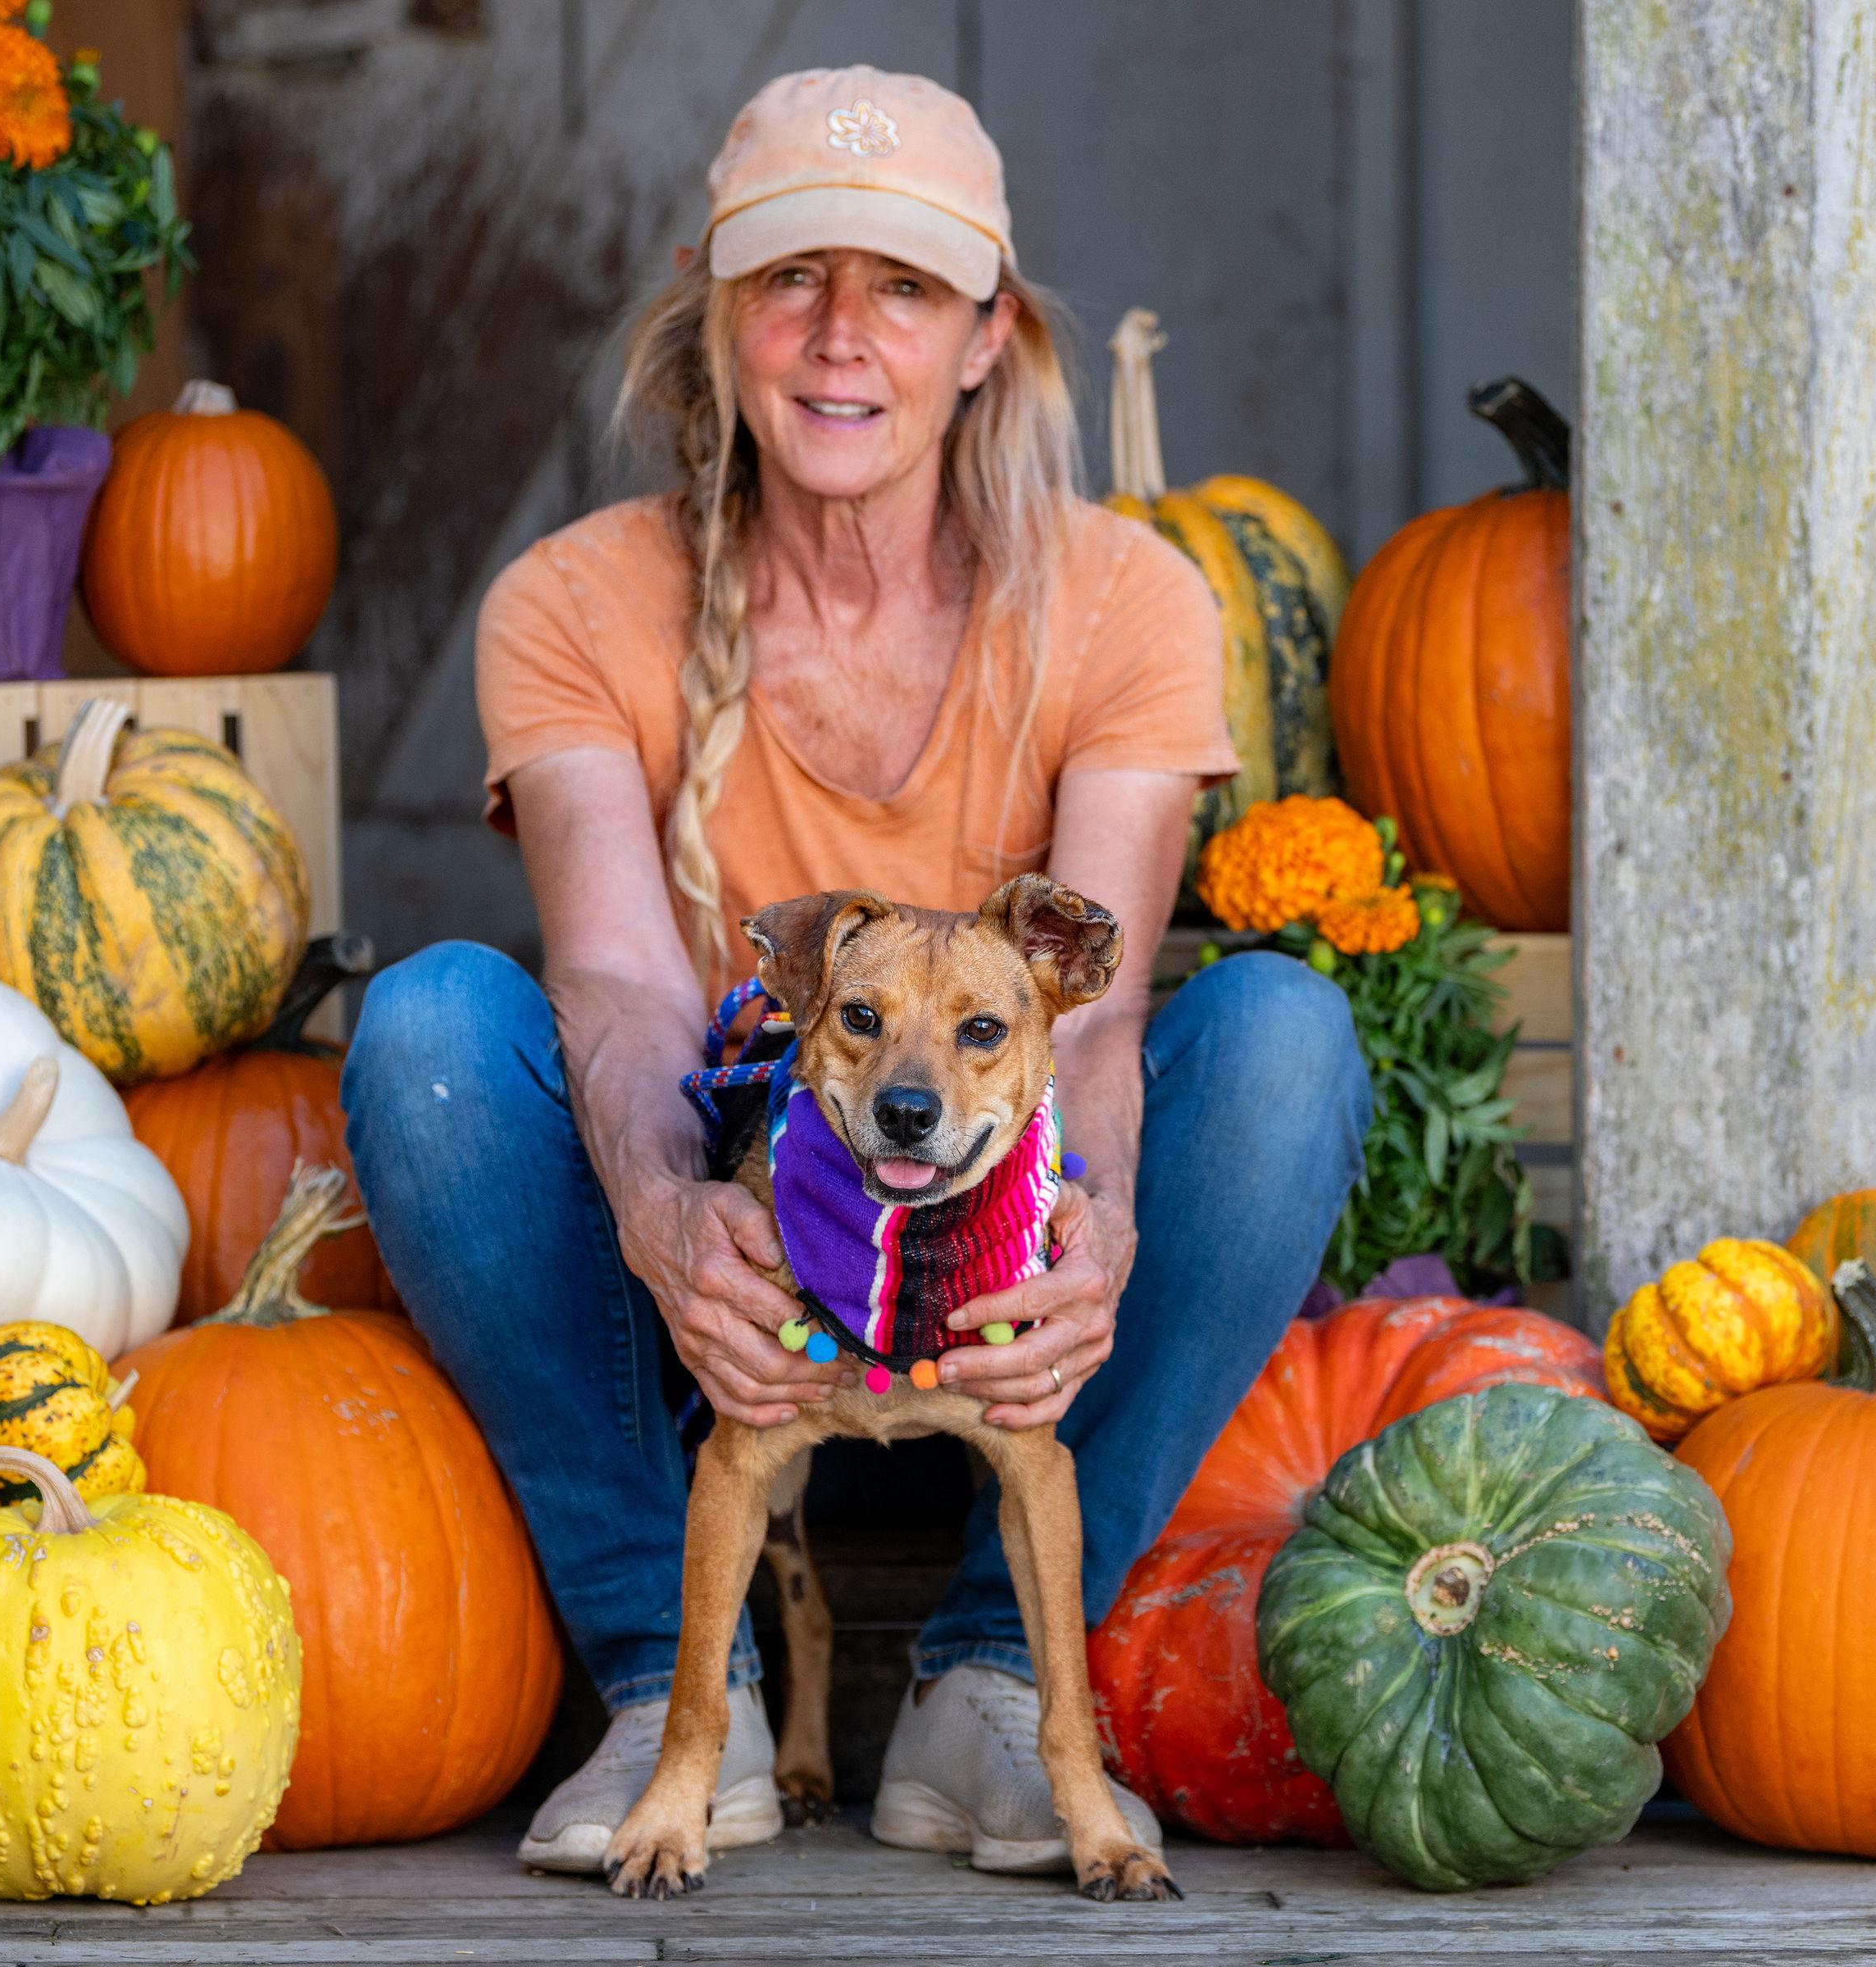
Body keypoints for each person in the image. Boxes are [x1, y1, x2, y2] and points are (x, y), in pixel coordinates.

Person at [342, 64, 1373, 1874]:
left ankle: (985, 1684)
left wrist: (1101, 1233)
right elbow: (618, 985)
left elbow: (1106, 1005)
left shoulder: (1126, 599)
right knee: (433, 1031)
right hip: (727, 1331)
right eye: (788, 280)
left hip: (1004, 1322)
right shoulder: (576, 602)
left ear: (988, 332)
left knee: (1285, 1040)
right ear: (715, 310)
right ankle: (681, 1681)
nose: (839, 337)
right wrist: (673, 1222)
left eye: (900, 286)